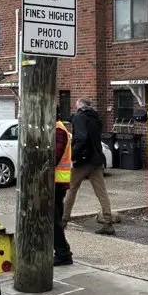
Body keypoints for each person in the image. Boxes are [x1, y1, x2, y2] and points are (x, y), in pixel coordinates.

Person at [63, 98, 115, 235]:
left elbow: (81, 138)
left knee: (72, 188)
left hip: (83, 160)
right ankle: (108, 222)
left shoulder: (80, 117)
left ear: (80, 105)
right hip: (96, 159)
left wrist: (74, 156)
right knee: (101, 192)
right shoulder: (96, 118)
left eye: (76, 106)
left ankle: (64, 219)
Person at [54, 108, 74, 266]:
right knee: (54, 220)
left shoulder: (59, 131)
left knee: (54, 221)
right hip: (54, 182)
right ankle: (62, 252)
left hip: (56, 182)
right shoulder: (57, 129)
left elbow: (53, 157)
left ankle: (63, 253)